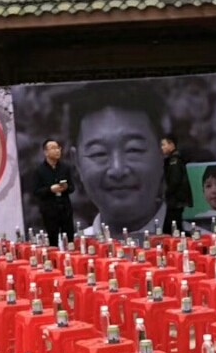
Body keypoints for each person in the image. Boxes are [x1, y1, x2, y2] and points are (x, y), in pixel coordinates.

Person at [68, 83, 165, 237]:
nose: (117, 169)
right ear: (77, 163)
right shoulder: (65, 251)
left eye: (133, 149)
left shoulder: (202, 244)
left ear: (162, 153)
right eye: (99, 153)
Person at [32, 138, 75, 246]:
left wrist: (66, 187)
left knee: (69, 239)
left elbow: (72, 188)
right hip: (49, 211)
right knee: (53, 241)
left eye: (58, 148)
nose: (57, 151)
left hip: (65, 209)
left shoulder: (65, 167)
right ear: (46, 152)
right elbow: (36, 191)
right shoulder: (39, 170)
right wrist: (50, 189)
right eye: (53, 148)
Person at [160, 133, 192, 234]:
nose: (162, 148)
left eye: (164, 145)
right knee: (175, 228)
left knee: (171, 229)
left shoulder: (174, 161)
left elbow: (175, 180)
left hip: (176, 200)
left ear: (171, 145)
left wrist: (166, 193)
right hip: (175, 200)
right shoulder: (173, 159)